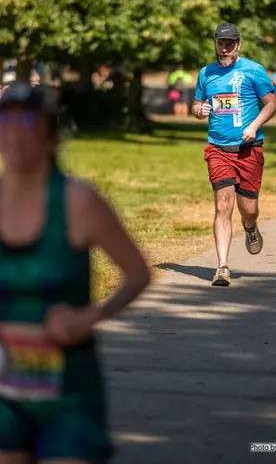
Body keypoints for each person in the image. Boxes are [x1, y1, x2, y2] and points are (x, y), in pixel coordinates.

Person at [0, 81, 150, 464]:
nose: (15, 133)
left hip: (69, 392)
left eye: (29, 123)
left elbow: (137, 274)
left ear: (52, 137)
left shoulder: (78, 202)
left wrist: (90, 316)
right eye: (6, 122)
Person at [192, 23, 276, 287]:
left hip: (248, 150)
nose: (225, 47)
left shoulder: (254, 70)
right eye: (221, 43)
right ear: (216, 44)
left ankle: (250, 226)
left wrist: (254, 126)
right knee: (222, 206)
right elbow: (196, 104)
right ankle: (222, 267)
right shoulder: (206, 73)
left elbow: (272, 104)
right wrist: (199, 111)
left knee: (248, 209)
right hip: (218, 148)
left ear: (239, 44)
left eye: (230, 43)